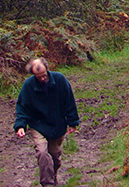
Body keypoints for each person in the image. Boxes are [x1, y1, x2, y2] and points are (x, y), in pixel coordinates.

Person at [14, 57, 80, 186]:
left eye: (44, 75)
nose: (42, 79)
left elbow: (69, 102)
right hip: (38, 124)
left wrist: (72, 122)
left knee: (54, 156)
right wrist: (20, 125)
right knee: (43, 153)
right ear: (33, 75)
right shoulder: (28, 85)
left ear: (47, 69)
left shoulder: (60, 80)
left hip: (57, 124)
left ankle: (53, 175)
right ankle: (47, 184)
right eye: (38, 77)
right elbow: (22, 107)